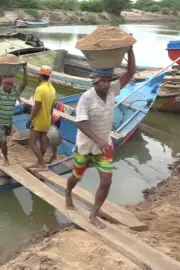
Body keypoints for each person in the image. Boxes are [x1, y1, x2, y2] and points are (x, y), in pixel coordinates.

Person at [65, 46, 136, 229]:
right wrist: (98, 140)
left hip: (104, 148)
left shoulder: (112, 91)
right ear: (94, 83)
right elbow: (80, 123)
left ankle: (93, 214)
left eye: (107, 80)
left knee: (107, 180)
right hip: (86, 147)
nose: (106, 84)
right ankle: (68, 192)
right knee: (76, 176)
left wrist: (129, 50)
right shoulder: (86, 98)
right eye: (102, 81)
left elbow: (131, 72)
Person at [0, 62, 28, 166]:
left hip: (8, 121)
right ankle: (6, 159)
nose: (10, 86)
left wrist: (25, 69)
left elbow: (25, 83)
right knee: (3, 140)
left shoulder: (14, 94)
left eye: (11, 85)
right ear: (4, 85)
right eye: (8, 85)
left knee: (3, 138)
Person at [26, 65, 56, 171]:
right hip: (47, 119)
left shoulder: (40, 89)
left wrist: (30, 119)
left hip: (39, 120)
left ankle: (43, 164)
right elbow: (52, 107)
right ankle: (39, 162)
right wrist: (49, 117)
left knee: (32, 142)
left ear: (40, 75)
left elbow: (37, 106)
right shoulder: (52, 89)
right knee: (43, 141)